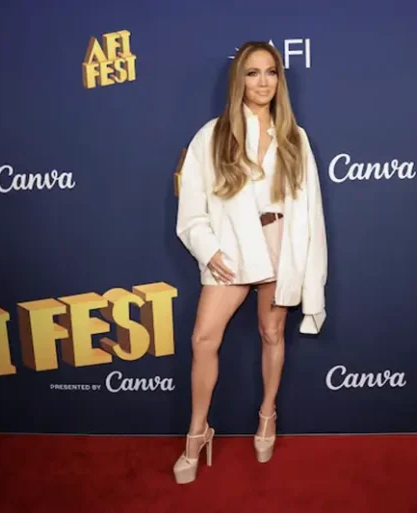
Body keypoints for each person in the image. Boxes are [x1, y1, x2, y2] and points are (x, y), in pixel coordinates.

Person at [173, 41, 328, 485]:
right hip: (232, 247)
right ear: (238, 79)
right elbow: (192, 209)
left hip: (281, 243)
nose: (263, 82)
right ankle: (197, 432)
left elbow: (310, 210)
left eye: (271, 72)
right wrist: (210, 251)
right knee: (204, 338)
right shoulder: (213, 134)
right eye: (253, 73)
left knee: (271, 331)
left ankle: (267, 415)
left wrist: (309, 267)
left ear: (280, 80)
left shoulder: (294, 138)